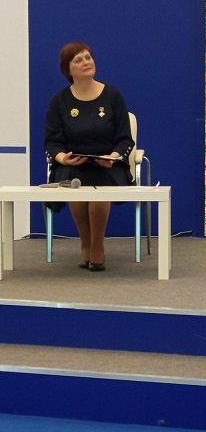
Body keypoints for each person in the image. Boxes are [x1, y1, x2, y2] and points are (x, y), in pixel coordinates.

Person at [44, 42, 134, 271]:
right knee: (73, 179)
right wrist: (62, 158)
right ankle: (85, 243)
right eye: (78, 60)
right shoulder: (59, 101)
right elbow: (52, 142)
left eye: (88, 57)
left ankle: (97, 246)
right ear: (68, 69)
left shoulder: (113, 96)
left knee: (99, 181)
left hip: (108, 165)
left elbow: (125, 139)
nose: (86, 62)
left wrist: (113, 156)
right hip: (72, 165)